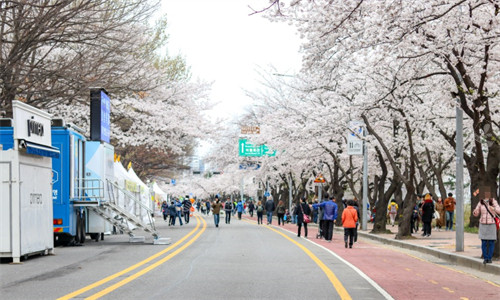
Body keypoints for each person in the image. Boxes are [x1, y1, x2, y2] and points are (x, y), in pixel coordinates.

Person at [473, 192, 500, 264]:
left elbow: (499, 210)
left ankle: (489, 258)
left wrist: (493, 208)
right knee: (484, 242)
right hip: (482, 224)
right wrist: (475, 212)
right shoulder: (480, 202)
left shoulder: (493, 201)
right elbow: (476, 212)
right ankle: (485, 258)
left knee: (491, 242)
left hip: (492, 224)